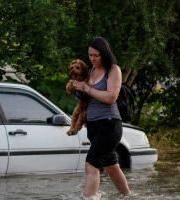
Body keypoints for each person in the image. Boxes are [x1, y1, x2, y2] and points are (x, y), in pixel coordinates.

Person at [72, 37, 131, 199]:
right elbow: (87, 99)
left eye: (96, 55)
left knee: (91, 165)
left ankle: (89, 198)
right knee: (111, 166)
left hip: (109, 125)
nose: (92, 59)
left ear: (104, 53)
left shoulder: (113, 70)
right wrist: (79, 90)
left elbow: (111, 97)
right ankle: (128, 196)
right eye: (90, 55)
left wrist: (87, 88)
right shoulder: (90, 71)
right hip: (93, 126)